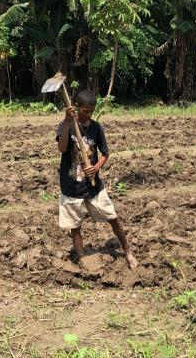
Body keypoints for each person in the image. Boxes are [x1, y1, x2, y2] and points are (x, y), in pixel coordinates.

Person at [56, 89, 138, 269]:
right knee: (75, 224)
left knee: (113, 217)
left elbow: (105, 153)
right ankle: (82, 255)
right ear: (76, 107)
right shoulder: (65, 125)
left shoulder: (95, 127)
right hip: (71, 186)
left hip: (93, 185)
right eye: (85, 110)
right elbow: (62, 148)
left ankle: (127, 250)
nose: (89, 114)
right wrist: (68, 122)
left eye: (91, 111)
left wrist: (96, 167)